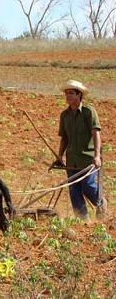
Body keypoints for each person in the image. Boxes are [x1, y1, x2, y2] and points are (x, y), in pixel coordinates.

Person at [54, 80, 107, 222]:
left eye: (71, 93)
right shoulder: (64, 115)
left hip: (87, 158)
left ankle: (101, 203)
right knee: (74, 190)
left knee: (87, 185)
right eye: (66, 94)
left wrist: (97, 156)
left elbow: (96, 134)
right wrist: (60, 155)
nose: (68, 96)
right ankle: (83, 219)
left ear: (79, 95)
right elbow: (64, 138)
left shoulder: (89, 112)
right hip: (72, 158)